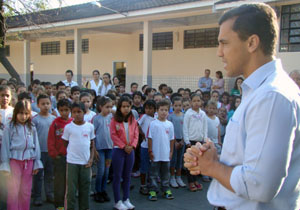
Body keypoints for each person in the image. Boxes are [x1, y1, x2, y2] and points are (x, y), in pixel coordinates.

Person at [184, 3, 300, 210]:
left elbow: (259, 186)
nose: (219, 52)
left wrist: (211, 166)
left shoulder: (271, 96)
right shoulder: (259, 90)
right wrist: (214, 158)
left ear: (252, 43)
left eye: (224, 43)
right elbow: (252, 162)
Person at [0, 100, 43, 210]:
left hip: (28, 161)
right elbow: (5, 146)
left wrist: (36, 162)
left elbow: (36, 145)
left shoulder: (32, 127)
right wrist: (5, 164)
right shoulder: (9, 127)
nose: (23, 116)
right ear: (15, 113)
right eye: (20, 113)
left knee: (26, 190)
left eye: (26, 113)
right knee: (13, 190)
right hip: (14, 161)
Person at [62, 102, 95, 210]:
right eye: (74, 112)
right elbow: (65, 143)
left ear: (84, 112)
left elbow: (92, 144)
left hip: (85, 163)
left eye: (79, 112)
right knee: (71, 191)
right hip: (72, 163)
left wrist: (91, 159)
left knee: (85, 189)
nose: (77, 114)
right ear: (71, 113)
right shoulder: (68, 127)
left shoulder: (90, 126)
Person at [110, 96, 139, 210]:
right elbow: (113, 135)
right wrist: (123, 146)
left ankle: (126, 199)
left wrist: (132, 146)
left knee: (127, 176)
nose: (126, 108)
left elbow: (136, 134)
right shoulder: (114, 120)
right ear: (119, 107)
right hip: (118, 150)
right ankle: (117, 201)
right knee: (117, 176)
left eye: (128, 106)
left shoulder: (133, 119)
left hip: (130, 150)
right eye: (123, 106)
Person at [48, 99, 72, 210]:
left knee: (70, 182)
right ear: (58, 110)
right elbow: (51, 139)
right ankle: (59, 205)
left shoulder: (73, 122)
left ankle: (69, 204)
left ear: (70, 110)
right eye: (61, 110)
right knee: (59, 183)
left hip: (72, 158)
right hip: (60, 157)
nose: (64, 113)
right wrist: (54, 154)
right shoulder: (55, 123)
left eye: (66, 110)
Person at [148, 99, 175, 201]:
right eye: (161, 110)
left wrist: (171, 151)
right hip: (155, 154)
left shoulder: (170, 124)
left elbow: (172, 139)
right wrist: (150, 151)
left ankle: (166, 190)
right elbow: (150, 138)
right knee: (153, 174)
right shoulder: (153, 124)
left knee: (165, 174)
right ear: (157, 111)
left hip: (166, 155)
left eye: (166, 110)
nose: (164, 112)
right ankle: (153, 190)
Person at [32, 95, 56, 206]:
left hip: (50, 151)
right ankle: (37, 196)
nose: (46, 106)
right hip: (39, 152)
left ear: (51, 104)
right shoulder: (35, 120)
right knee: (38, 176)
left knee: (50, 174)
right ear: (38, 105)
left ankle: (50, 194)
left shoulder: (53, 119)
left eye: (47, 103)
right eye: (43, 104)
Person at [183, 93, 207, 192]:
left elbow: (205, 127)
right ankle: (190, 182)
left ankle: (196, 180)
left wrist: (205, 140)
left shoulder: (203, 114)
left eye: (198, 101)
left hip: (199, 141)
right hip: (190, 141)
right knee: (190, 163)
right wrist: (187, 141)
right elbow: (185, 128)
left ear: (201, 102)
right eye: (194, 101)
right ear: (190, 102)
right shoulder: (188, 113)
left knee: (197, 163)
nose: (196, 103)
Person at [93, 96, 113, 203]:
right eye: (107, 107)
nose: (109, 109)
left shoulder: (111, 117)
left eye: (110, 107)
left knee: (107, 170)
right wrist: (94, 149)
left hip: (109, 148)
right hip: (100, 149)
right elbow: (92, 135)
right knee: (100, 171)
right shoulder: (96, 119)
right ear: (100, 107)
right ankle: (97, 191)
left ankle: (103, 190)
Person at [137, 99, 156, 195]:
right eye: (147, 108)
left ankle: (151, 184)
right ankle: (143, 185)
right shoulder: (144, 117)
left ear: (155, 109)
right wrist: (142, 133)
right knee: (144, 167)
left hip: (154, 146)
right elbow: (136, 124)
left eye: (151, 108)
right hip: (145, 146)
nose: (148, 110)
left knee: (152, 167)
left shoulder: (156, 117)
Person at [168, 97, 186, 188]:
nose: (178, 107)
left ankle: (179, 177)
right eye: (176, 105)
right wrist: (174, 142)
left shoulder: (184, 115)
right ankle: (172, 177)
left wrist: (183, 140)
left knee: (180, 160)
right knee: (173, 160)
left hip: (182, 140)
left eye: (180, 105)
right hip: (173, 141)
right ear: (172, 106)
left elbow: (185, 129)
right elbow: (170, 130)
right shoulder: (170, 116)